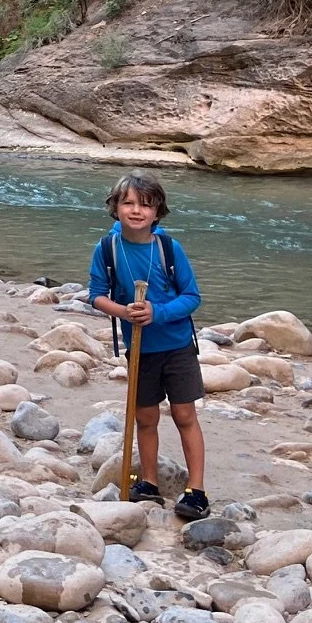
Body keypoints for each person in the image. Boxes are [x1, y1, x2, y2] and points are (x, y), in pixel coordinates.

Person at [88, 171, 208, 521]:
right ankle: (149, 482)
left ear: (158, 212)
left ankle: (196, 491)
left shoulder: (168, 248)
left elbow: (192, 297)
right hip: (139, 349)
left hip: (177, 345)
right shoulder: (107, 248)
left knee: (185, 415)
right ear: (115, 207)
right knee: (145, 417)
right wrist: (123, 311)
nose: (136, 210)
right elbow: (96, 295)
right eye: (128, 202)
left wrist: (158, 312)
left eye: (145, 204)